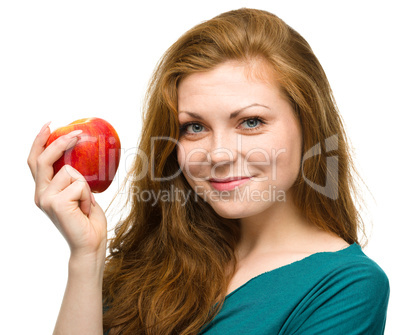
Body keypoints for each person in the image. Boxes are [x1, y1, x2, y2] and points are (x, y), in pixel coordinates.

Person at [28, 8, 389, 335]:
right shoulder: (154, 258)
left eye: (251, 121)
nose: (218, 155)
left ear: (308, 125)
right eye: (194, 127)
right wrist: (87, 256)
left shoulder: (346, 287)